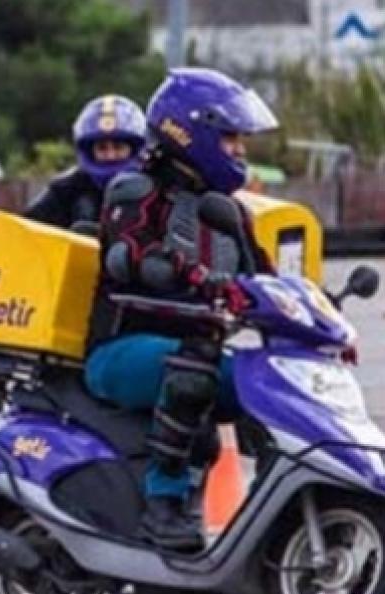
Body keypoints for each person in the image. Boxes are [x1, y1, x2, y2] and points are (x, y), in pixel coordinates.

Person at [83, 69, 278, 551]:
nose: (239, 150)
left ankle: (278, 505)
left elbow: (267, 280)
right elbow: (128, 255)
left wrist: (317, 310)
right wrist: (193, 275)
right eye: (230, 138)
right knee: (193, 370)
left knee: (273, 383)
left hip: (196, 349)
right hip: (118, 349)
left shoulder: (230, 211)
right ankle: (163, 504)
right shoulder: (136, 191)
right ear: (191, 132)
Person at [23, 95, 146, 229]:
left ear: (135, 149)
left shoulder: (154, 187)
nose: (110, 155)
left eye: (118, 147)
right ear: (89, 151)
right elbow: (26, 230)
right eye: (102, 148)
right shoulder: (66, 190)